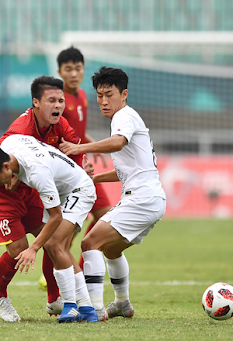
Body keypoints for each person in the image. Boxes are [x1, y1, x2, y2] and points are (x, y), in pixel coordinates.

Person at [60, 66, 167, 319]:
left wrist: (80, 148)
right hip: (151, 199)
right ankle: (122, 304)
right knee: (110, 249)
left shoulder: (123, 117)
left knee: (89, 243)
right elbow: (127, 171)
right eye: (99, 95)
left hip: (141, 200)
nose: (104, 101)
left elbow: (118, 142)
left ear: (124, 94)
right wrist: (95, 178)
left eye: (109, 94)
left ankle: (94, 309)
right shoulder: (125, 118)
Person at [0, 75, 87, 322]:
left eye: (61, 100)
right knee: (18, 249)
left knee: (52, 239)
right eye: (52, 101)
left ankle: (54, 299)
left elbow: (73, 151)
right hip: (4, 193)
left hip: (32, 190)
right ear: (36, 103)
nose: (58, 106)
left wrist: (80, 172)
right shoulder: (21, 129)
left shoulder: (60, 125)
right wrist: (9, 175)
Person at [0, 134, 99, 323]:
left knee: (54, 243)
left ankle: (74, 305)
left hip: (76, 191)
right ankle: (83, 306)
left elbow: (56, 216)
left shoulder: (38, 174)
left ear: (5, 166)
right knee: (50, 244)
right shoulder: (11, 144)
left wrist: (33, 248)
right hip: (58, 188)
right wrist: (18, 177)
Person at [37, 47, 114, 294]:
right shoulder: (59, 102)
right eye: (68, 69)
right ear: (59, 72)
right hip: (69, 173)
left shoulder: (82, 95)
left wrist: (91, 144)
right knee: (62, 233)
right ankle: (57, 275)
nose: (73, 73)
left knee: (104, 215)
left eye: (78, 68)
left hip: (83, 165)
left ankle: (73, 264)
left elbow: (76, 131)